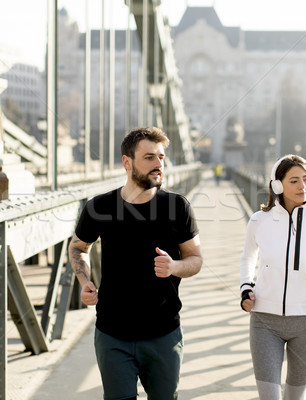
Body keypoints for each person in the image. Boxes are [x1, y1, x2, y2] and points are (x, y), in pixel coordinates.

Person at [68, 127, 203, 400]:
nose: (159, 165)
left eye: (162, 157)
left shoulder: (178, 207)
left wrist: (174, 267)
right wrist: (84, 281)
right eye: (149, 157)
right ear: (127, 162)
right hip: (113, 333)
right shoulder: (100, 206)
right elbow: (78, 247)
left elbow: (196, 259)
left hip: (164, 333)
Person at [239, 154, 306, 400]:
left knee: (296, 397)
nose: (302, 186)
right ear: (277, 185)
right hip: (265, 320)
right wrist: (245, 288)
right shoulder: (259, 220)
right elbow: (248, 257)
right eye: (294, 180)